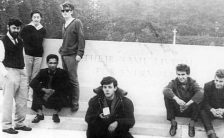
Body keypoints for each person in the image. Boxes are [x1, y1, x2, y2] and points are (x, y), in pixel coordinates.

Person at [0, 18, 32, 134]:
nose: (16, 30)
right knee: (8, 101)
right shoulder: (2, 41)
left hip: (21, 71)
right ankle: (6, 126)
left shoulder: (20, 41)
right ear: (8, 27)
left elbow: (22, 56)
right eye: (14, 28)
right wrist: (6, 74)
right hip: (9, 71)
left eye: (18, 28)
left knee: (22, 100)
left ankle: (19, 123)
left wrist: (24, 72)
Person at [163, 64, 203, 137]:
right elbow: (165, 90)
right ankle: (173, 123)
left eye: (183, 74)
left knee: (199, 98)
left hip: (189, 110)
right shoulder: (174, 82)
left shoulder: (192, 82)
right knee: (167, 96)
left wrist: (188, 104)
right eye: (178, 74)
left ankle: (191, 124)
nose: (180, 77)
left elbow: (201, 92)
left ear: (188, 74)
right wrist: (177, 99)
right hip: (178, 109)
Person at [59, 2, 85, 112]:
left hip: (72, 55)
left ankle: (75, 103)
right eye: (63, 11)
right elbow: (65, 40)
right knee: (66, 79)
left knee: (73, 80)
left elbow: (81, 38)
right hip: (64, 54)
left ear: (71, 11)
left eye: (67, 10)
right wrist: (61, 50)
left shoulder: (76, 22)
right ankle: (68, 101)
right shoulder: (64, 24)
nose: (65, 12)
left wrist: (80, 53)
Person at [30, 54, 71, 123]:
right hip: (45, 97)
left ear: (57, 63)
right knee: (36, 89)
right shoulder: (43, 72)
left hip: (56, 97)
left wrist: (55, 90)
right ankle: (39, 114)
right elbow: (32, 83)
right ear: (47, 63)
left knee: (63, 92)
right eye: (50, 63)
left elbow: (68, 86)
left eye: (55, 63)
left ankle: (55, 114)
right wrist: (44, 90)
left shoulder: (62, 73)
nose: (52, 65)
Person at [20, 10, 46, 100]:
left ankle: (31, 95)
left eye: (38, 17)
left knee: (35, 76)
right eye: (34, 17)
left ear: (40, 18)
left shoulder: (42, 29)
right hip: (28, 54)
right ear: (32, 18)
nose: (36, 19)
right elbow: (21, 38)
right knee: (27, 75)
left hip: (38, 55)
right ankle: (25, 94)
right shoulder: (27, 28)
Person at [200, 69, 224, 138]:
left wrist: (222, 110)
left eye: (221, 81)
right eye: (216, 80)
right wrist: (212, 110)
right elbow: (205, 102)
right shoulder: (208, 86)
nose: (218, 83)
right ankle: (211, 134)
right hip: (211, 110)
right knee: (202, 112)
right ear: (214, 79)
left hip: (222, 110)